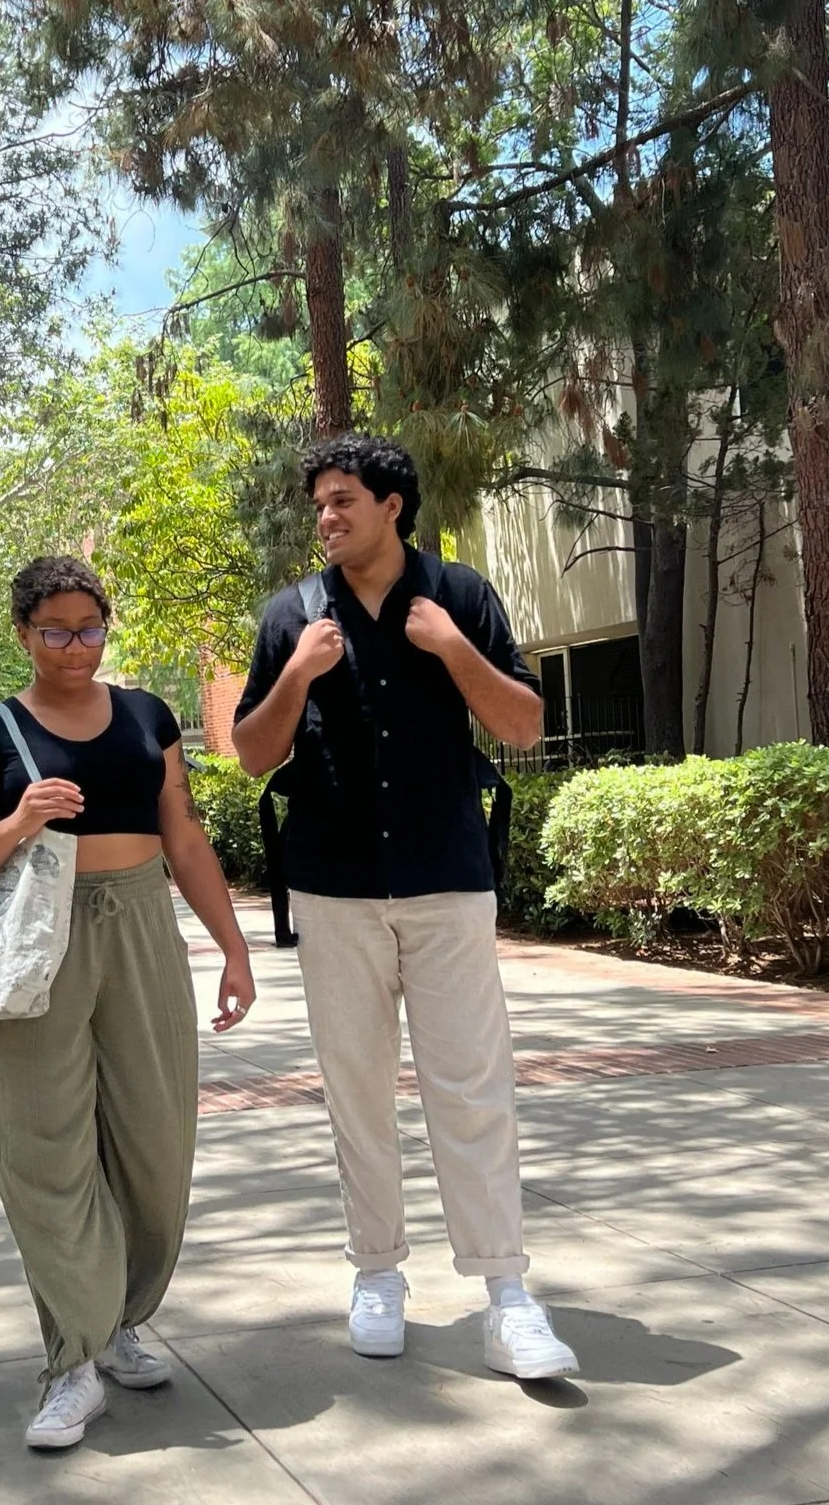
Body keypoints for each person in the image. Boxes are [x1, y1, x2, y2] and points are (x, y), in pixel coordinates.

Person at [232, 434, 579, 1381]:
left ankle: (506, 1295)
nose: (326, 518)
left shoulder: (459, 596)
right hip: (333, 884)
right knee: (356, 1092)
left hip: (445, 877)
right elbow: (251, 753)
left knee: (471, 1089)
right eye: (319, 505)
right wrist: (297, 672)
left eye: (342, 500)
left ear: (392, 505)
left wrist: (452, 648)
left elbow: (521, 725)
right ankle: (377, 1273)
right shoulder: (290, 616)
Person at [0, 555, 258, 1451]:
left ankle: (120, 1318)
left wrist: (231, 949)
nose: (76, 647)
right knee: (42, 1143)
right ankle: (73, 1358)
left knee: (157, 1137)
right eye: (54, 631)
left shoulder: (148, 715)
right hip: (41, 939)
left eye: (89, 627)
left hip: (143, 926)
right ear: (21, 633)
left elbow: (181, 834)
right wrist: (20, 818)